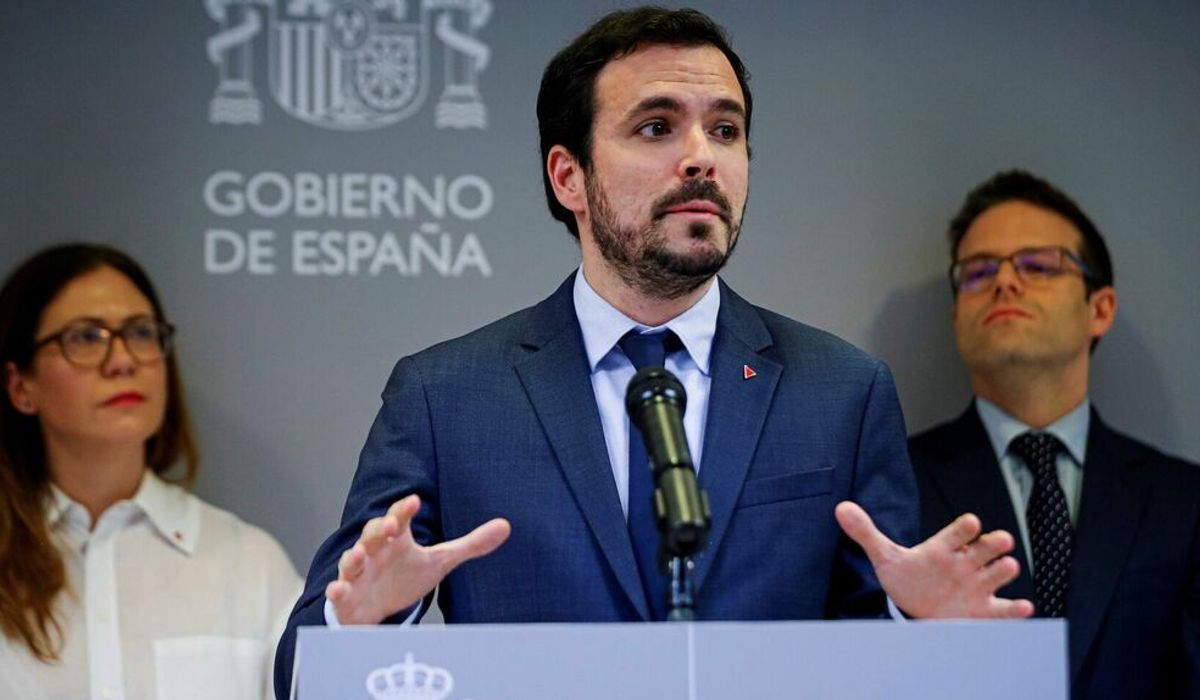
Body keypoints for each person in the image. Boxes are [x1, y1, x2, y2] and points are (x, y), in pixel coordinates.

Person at [277, 8, 1031, 695]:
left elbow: (878, 652)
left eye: (725, 130)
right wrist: (366, 622)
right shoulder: (447, 396)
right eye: (657, 127)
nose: (701, 157)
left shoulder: (841, 391)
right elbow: (300, 670)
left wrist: (921, 629)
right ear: (569, 176)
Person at [909, 170, 1200, 699]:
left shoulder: (1184, 502)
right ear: (956, 316)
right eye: (977, 272)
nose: (1004, 282)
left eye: (1038, 265)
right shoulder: (897, 485)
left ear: (1100, 309)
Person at [0, 243, 301, 700]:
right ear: (21, 386)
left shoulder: (250, 563)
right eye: (85, 337)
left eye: (141, 332)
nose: (123, 360)